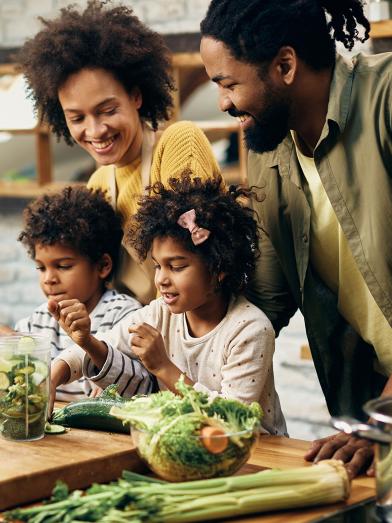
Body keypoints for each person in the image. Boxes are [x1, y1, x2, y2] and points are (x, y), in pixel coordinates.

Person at [200, 0, 392, 477]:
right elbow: (267, 295)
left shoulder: (386, 98)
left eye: (228, 83)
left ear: (285, 65)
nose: (223, 103)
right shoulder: (271, 144)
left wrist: (381, 420)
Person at [48, 173, 287, 436]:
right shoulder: (160, 313)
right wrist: (53, 376)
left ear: (219, 267)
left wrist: (164, 367)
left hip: (257, 452)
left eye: (176, 267)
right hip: (189, 448)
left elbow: (233, 418)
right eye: (157, 266)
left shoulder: (249, 329)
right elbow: (103, 343)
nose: (161, 279)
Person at [19, 0, 221, 305]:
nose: (96, 130)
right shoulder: (99, 183)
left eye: (108, 110)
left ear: (136, 96)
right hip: (131, 340)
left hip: (196, 337)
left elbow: (192, 263)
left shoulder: (179, 142)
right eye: (77, 118)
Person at [11, 186, 153, 405]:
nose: (49, 278)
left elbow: (142, 384)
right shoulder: (40, 320)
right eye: (41, 268)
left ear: (103, 265)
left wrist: (104, 370)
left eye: (64, 266)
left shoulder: (124, 314)